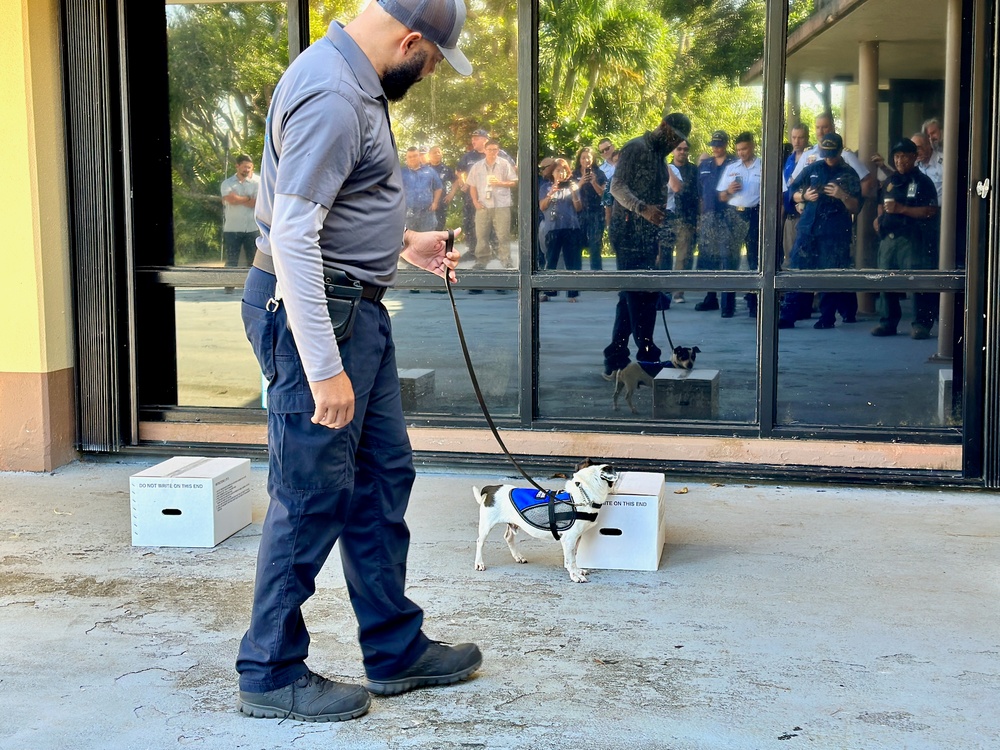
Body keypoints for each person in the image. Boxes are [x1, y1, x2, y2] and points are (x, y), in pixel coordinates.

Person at [235, 0, 481, 723]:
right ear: (410, 40)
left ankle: (393, 647)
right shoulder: (335, 94)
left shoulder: (353, 81)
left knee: (381, 479)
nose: (429, 72)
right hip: (321, 320)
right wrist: (322, 367)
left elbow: (334, 205)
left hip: (354, 312)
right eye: (431, 60)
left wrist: (403, 244)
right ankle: (270, 670)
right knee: (311, 494)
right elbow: (294, 238)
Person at [603, 111, 691, 377]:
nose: (674, 144)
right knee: (640, 294)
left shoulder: (658, 157)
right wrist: (642, 209)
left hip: (649, 234)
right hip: (628, 232)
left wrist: (660, 227)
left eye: (679, 141)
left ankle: (616, 357)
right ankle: (647, 357)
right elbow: (616, 187)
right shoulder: (635, 148)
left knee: (635, 295)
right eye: (674, 137)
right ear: (663, 127)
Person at [778, 133, 862, 330]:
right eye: (826, 154)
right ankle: (788, 316)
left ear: (840, 151)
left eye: (832, 154)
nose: (829, 158)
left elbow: (856, 207)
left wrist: (842, 196)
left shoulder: (849, 173)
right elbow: (792, 193)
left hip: (834, 232)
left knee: (829, 274)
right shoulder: (813, 168)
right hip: (809, 228)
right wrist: (804, 196)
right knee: (797, 269)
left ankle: (827, 317)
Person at [871, 138, 940, 339]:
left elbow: (930, 210)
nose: (900, 161)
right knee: (885, 281)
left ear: (914, 157)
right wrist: (878, 219)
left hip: (911, 239)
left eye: (904, 156)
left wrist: (902, 209)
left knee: (917, 283)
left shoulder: (922, 182)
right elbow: (880, 202)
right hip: (888, 239)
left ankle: (921, 325)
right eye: (897, 156)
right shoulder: (890, 181)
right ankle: (888, 322)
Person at [716, 131, 762, 318]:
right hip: (734, 215)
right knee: (729, 260)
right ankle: (727, 307)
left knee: (754, 261)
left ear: (752, 146)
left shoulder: (763, 166)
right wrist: (728, 190)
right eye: (738, 150)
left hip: (754, 214)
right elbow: (721, 196)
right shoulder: (732, 168)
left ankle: (754, 306)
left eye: (744, 148)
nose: (741, 153)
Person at [693, 130, 735, 312]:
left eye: (719, 144)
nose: (716, 148)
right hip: (709, 217)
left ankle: (728, 304)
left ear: (726, 144)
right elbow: (699, 194)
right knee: (708, 259)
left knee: (728, 260)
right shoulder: (705, 165)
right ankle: (710, 297)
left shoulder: (734, 164)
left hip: (728, 217)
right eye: (714, 145)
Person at [467, 138, 517, 268]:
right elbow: (472, 185)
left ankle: (506, 260)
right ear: (484, 150)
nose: (492, 152)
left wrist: (500, 183)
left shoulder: (504, 164)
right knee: (481, 235)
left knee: (503, 235)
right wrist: (475, 202)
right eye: (489, 149)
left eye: (495, 149)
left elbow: (514, 182)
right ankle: (481, 261)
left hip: (501, 205)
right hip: (483, 205)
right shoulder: (477, 167)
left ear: (498, 150)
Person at [539, 157, 583, 300]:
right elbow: (542, 206)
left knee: (572, 261)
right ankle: (549, 291)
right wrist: (551, 193)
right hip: (553, 227)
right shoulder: (545, 187)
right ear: (552, 172)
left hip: (571, 227)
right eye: (558, 170)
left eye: (564, 170)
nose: (561, 173)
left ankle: (572, 294)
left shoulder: (572, 186)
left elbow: (578, 208)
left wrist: (575, 193)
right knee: (551, 259)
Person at [667, 140, 699, 303]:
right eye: (679, 149)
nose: (682, 152)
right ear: (673, 150)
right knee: (662, 255)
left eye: (686, 149)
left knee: (684, 256)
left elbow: (698, 195)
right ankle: (663, 290)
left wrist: (698, 220)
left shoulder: (694, 170)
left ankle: (678, 291)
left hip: (687, 217)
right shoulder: (664, 168)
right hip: (667, 216)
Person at [220, 154, 260, 269]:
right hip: (232, 228)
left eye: (249, 167)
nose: (247, 170)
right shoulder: (227, 183)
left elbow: (256, 203)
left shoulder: (258, 182)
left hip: (252, 227)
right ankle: (229, 284)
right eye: (245, 167)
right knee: (231, 260)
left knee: (253, 261)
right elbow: (230, 199)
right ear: (237, 166)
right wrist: (248, 198)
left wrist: (238, 198)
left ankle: (250, 286)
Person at [573, 146, 608, 270]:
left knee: (595, 245)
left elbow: (604, 194)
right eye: (583, 158)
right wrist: (580, 182)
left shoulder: (599, 173)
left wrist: (594, 182)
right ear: (579, 159)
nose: (586, 160)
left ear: (593, 159)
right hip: (578, 213)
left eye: (588, 157)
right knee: (577, 245)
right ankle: (576, 274)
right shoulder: (574, 174)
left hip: (596, 213)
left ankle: (596, 274)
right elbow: (570, 192)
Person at [781, 123, 809, 268]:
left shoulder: (812, 158)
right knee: (789, 261)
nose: (797, 141)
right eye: (794, 137)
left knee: (804, 261)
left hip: (805, 217)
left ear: (807, 138)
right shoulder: (788, 159)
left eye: (800, 137)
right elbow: (785, 190)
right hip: (790, 217)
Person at [401, 146, 443, 231]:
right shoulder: (401, 172)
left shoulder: (430, 171)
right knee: (409, 241)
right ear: (406, 158)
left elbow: (438, 188)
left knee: (428, 240)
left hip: (427, 213)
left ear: (419, 156)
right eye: (410, 156)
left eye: (415, 156)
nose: (412, 158)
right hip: (408, 214)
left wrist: (435, 202)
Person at [426, 145, 456, 230]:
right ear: (429, 155)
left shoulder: (446, 169)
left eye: (439, 152)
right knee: (425, 229)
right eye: (434, 152)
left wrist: (451, 194)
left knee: (439, 227)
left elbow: (456, 181)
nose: (437, 154)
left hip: (441, 203)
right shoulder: (424, 169)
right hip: (426, 203)